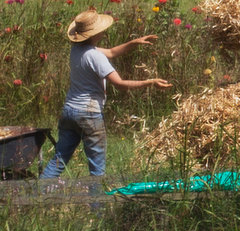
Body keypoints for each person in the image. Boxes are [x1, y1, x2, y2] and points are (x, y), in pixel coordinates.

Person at [38, 9, 171, 182]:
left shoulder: (77, 50)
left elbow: (111, 52)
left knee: (59, 159)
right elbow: (120, 84)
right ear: (96, 33)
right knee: (97, 168)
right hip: (89, 114)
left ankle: (37, 196)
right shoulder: (95, 57)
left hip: (69, 111)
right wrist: (150, 82)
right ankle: (97, 207)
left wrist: (135, 42)